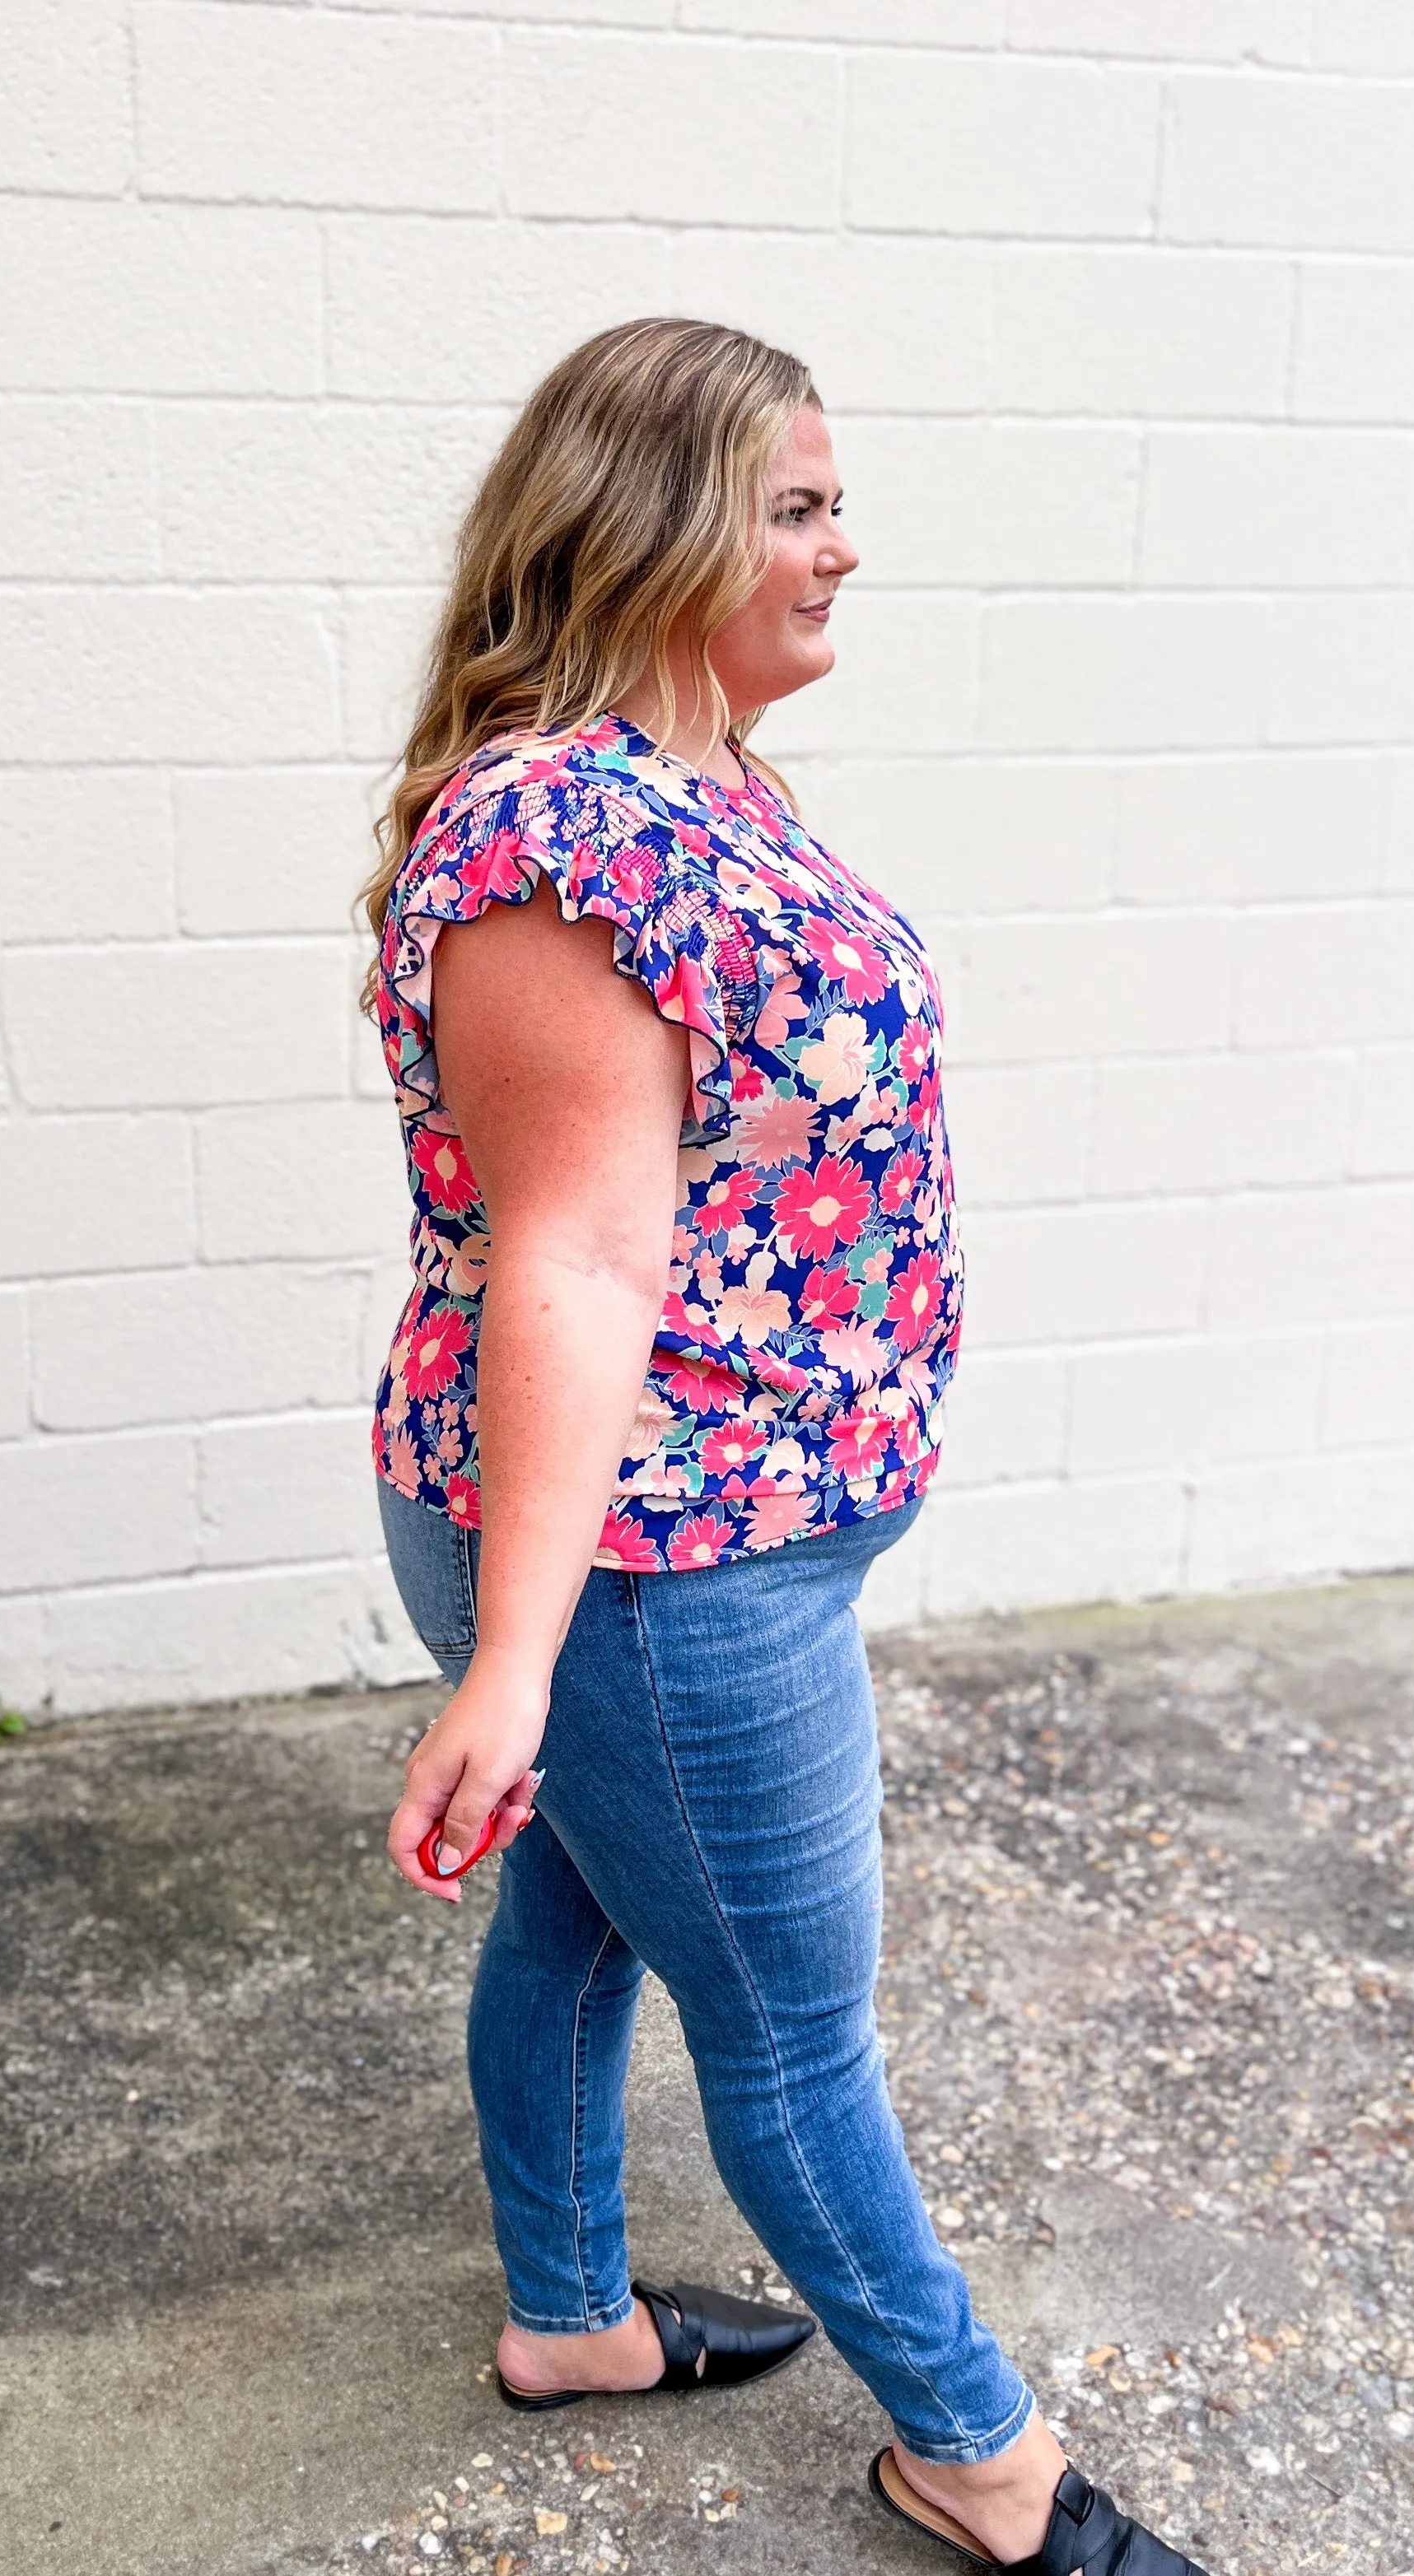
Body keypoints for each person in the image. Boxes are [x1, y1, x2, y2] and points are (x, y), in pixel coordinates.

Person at [364, 318, 1205, 2576]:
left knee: (587, 1909)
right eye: (798, 505)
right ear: (649, 526)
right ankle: (976, 2454)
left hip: (723, 1533)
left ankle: (569, 2323)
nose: (845, 547)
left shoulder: (703, 776)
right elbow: (573, 1263)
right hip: (648, 1558)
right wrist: (521, 1664)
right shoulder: (560, 834)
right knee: (794, 2028)